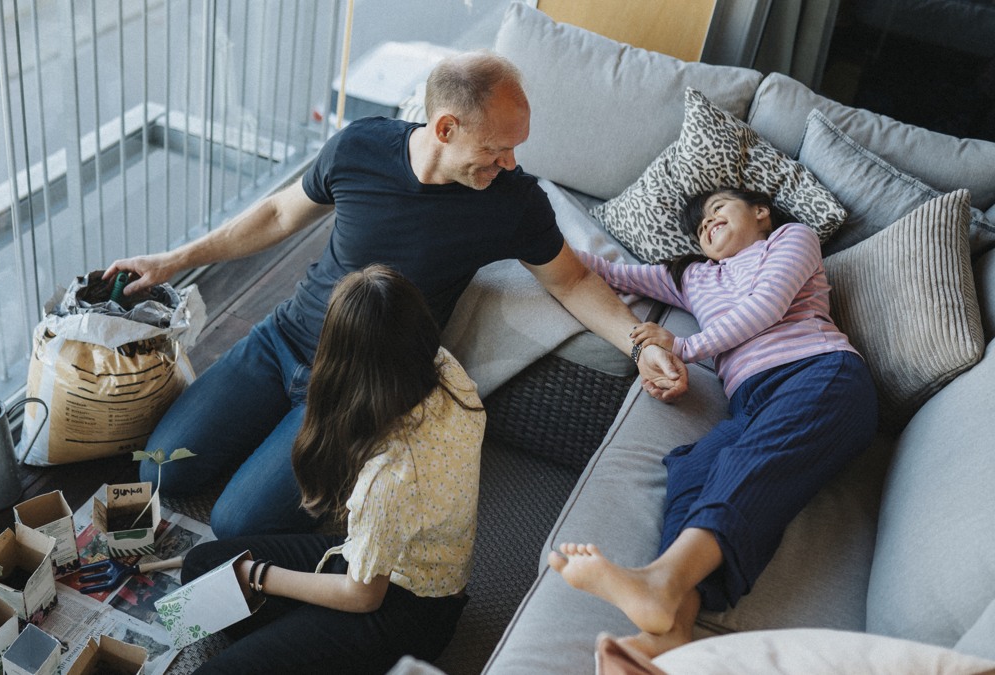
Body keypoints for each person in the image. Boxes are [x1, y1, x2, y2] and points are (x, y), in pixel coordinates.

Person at [104, 50, 687, 538]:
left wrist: (640, 346)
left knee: (238, 524)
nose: (510, 163)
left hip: (361, 383)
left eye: (515, 148)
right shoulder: (359, 147)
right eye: (496, 149)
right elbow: (280, 212)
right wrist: (173, 261)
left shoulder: (513, 201)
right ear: (445, 128)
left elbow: (574, 280)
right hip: (282, 340)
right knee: (160, 470)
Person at [549, 188, 878, 657]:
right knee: (692, 470)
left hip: (822, 373)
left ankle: (661, 580)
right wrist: (530, 241)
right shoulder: (690, 275)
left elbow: (764, 308)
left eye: (717, 210)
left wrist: (680, 347)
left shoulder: (791, 239)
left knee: (748, 461)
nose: (706, 225)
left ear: (761, 212)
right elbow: (607, 271)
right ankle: (671, 631)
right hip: (751, 401)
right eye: (699, 227)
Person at [179, 265, 483, 674]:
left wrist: (259, 575)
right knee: (199, 571)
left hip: (410, 609)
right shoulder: (447, 370)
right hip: (377, 558)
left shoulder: (391, 476)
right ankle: (306, 642)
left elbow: (363, 597)